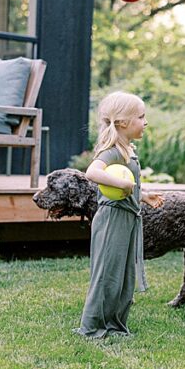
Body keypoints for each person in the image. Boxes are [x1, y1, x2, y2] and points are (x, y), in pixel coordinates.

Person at [76, 92, 163, 337]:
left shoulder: (127, 149)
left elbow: (125, 184)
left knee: (123, 275)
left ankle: (114, 324)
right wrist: (123, 184)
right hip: (112, 219)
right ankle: (92, 327)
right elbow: (92, 173)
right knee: (107, 274)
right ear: (123, 122)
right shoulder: (112, 151)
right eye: (141, 116)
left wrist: (142, 195)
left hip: (127, 218)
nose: (145, 122)